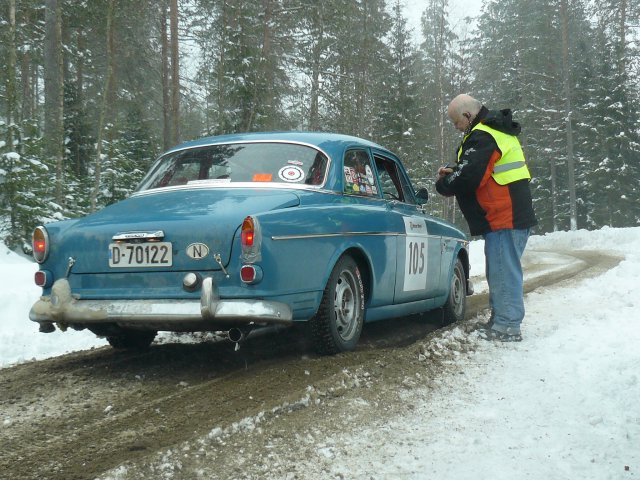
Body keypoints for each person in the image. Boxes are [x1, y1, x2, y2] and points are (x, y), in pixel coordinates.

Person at [435, 94, 537, 342]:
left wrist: (443, 183)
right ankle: (501, 320)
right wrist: (456, 169)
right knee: (500, 271)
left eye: (456, 121)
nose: (456, 127)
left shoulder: (484, 135)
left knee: (503, 272)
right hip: (507, 216)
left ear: (468, 115)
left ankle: (508, 325)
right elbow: (479, 169)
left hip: (505, 215)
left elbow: (470, 177)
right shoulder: (492, 132)